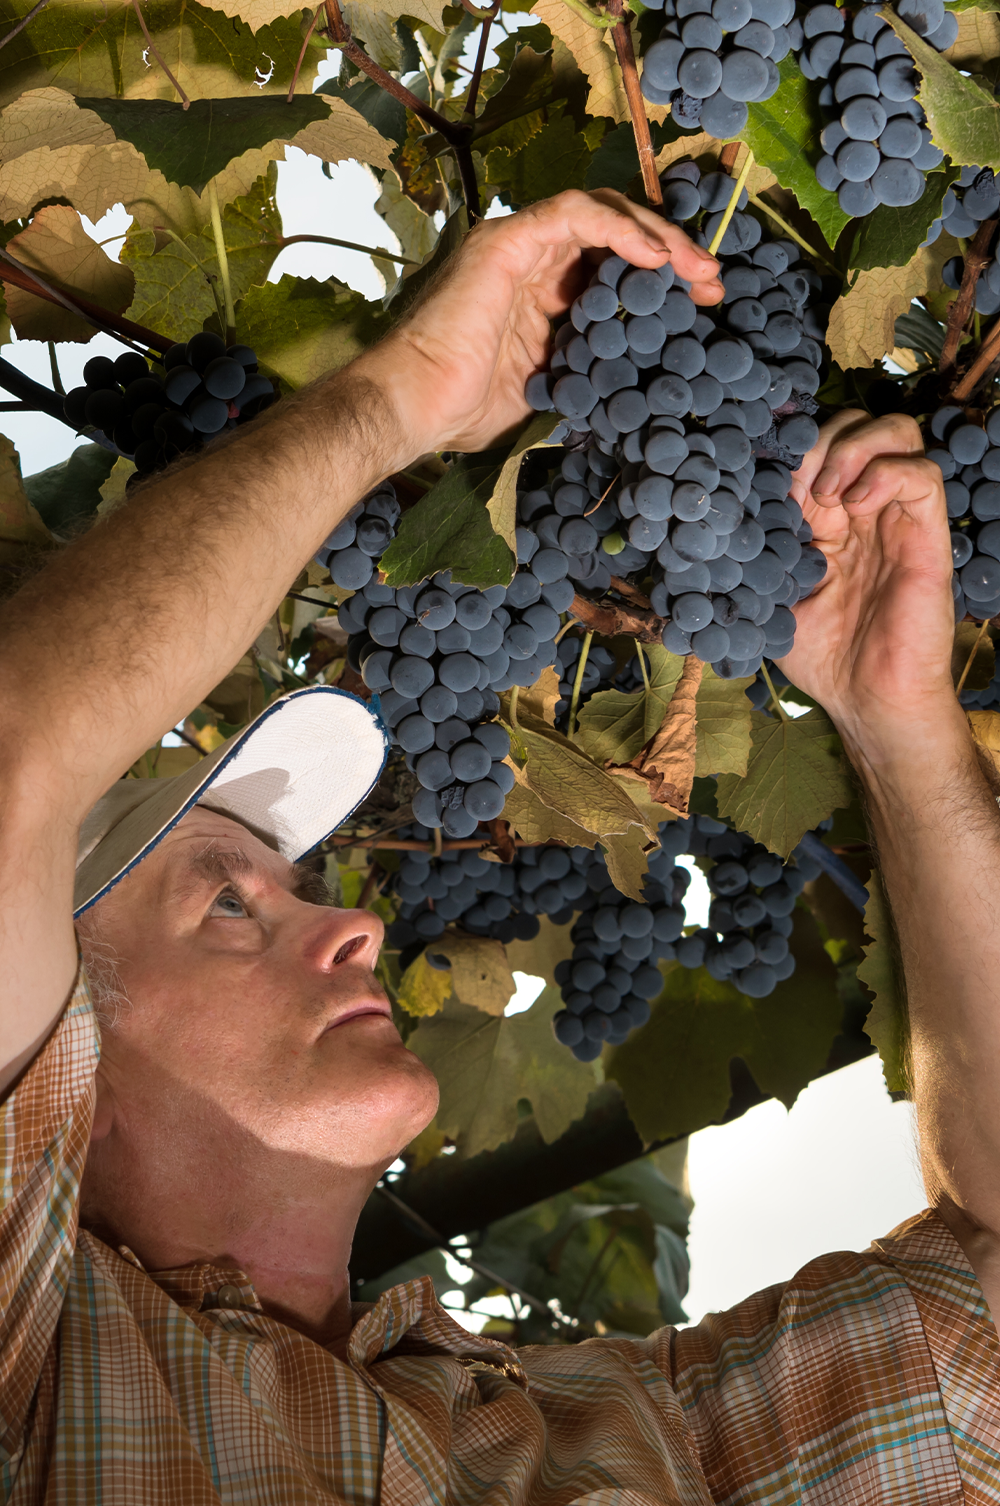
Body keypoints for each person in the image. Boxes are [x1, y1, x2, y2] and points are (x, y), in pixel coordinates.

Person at [0, 188, 995, 1504]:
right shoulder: (46, 1373)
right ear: (63, 1076)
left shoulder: (606, 1426)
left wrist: (899, 726)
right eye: (227, 906)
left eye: (279, 894)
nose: (352, 920)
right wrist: (393, 398)